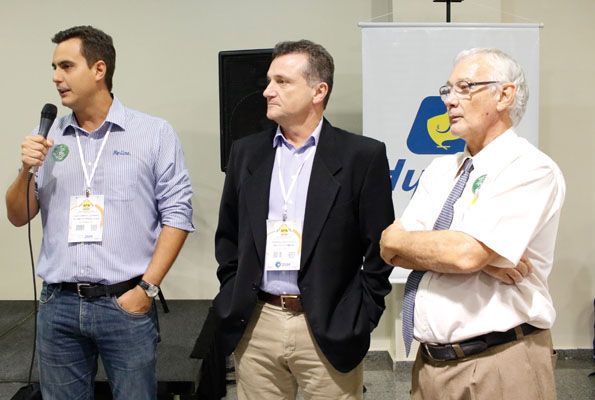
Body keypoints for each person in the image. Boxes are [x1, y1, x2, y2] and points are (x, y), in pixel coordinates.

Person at [5, 25, 194, 400]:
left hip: (125, 302)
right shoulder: (48, 136)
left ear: (98, 69)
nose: (56, 77)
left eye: (66, 66)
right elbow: (17, 216)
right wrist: (25, 169)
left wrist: (146, 289)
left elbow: (178, 215)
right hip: (58, 304)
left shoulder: (153, 133)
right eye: (54, 68)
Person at [213, 40, 394, 399]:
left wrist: (361, 315)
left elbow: (380, 247)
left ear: (318, 91)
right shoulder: (246, 153)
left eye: (282, 81)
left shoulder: (361, 156)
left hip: (328, 325)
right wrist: (232, 292)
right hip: (258, 323)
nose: (267, 91)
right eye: (269, 81)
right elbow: (228, 236)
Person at [380, 48, 565, 399]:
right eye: (447, 89)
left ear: (504, 95)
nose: (449, 100)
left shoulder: (530, 169)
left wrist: (470, 255)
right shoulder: (441, 170)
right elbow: (390, 245)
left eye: (465, 87)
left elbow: (465, 255)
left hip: (500, 362)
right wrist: (487, 260)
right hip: (429, 365)